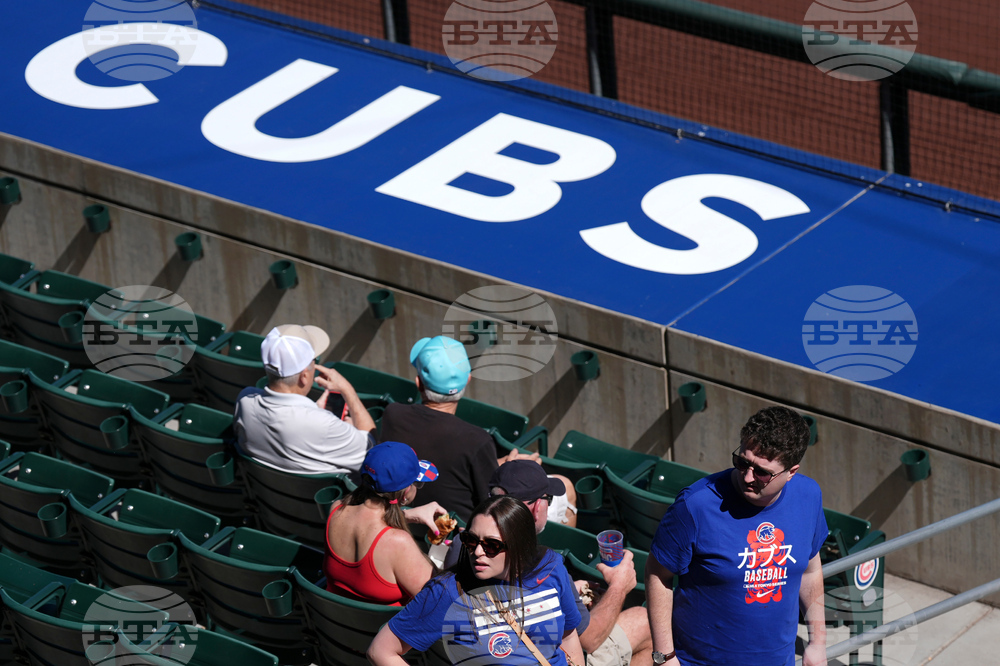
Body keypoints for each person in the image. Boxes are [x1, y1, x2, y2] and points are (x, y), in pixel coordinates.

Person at [644, 406, 828, 666]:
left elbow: (810, 568)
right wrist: (664, 657)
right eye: (742, 462)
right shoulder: (695, 505)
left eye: (762, 472)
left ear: (792, 472)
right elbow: (657, 573)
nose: (748, 476)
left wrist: (818, 642)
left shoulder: (808, 496)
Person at [369, 495, 585, 666]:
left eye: (491, 545)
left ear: (520, 545)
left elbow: (568, 635)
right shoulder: (448, 592)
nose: (478, 552)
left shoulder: (551, 567)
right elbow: (381, 651)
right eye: (471, 541)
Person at [477, 462, 653, 666]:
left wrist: (565, 593)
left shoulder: (464, 547)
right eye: (547, 498)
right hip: (549, 657)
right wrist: (619, 586)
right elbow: (591, 641)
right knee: (645, 621)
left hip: (496, 651)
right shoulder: (546, 565)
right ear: (536, 508)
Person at [379, 335, 537, 522]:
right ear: (467, 380)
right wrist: (508, 472)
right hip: (453, 541)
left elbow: (442, 462)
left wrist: (495, 463)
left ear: (419, 382)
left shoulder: (393, 414)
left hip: (398, 525)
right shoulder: (477, 441)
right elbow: (493, 505)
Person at [234, 324, 376, 474]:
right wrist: (347, 390)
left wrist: (314, 411)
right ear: (304, 376)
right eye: (314, 359)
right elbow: (373, 452)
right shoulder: (323, 425)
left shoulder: (245, 401)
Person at [324, 441, 446, 605]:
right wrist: (455, 557)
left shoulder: (336, 510)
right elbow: (437, 600)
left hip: (339, 623)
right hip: (384, 628)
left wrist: (406, 515)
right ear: (405, 493)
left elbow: (368, 527)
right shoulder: (397, 542)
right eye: (417, 483)